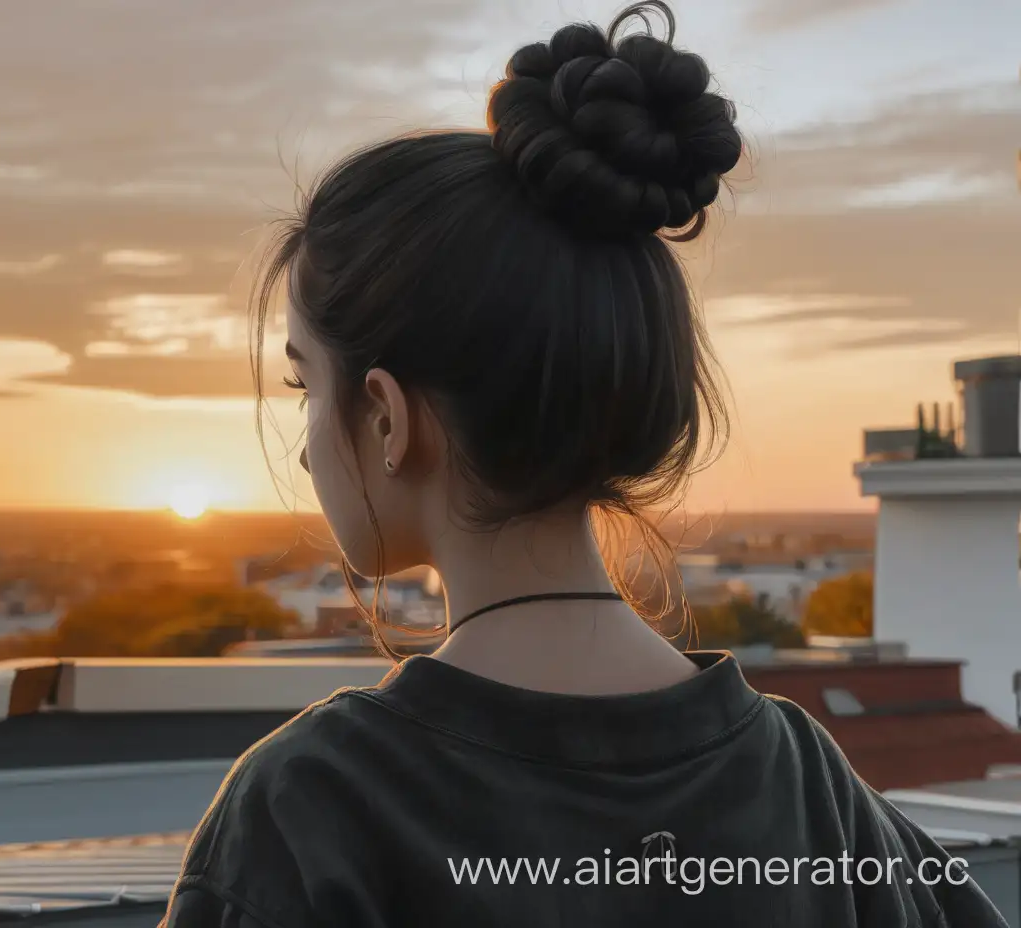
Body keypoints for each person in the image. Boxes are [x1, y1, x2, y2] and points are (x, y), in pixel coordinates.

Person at [162, 3, 1007, 925]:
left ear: (385, 416)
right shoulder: (815, 797)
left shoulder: (311, 812)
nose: (302, 441)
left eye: (304, 387)